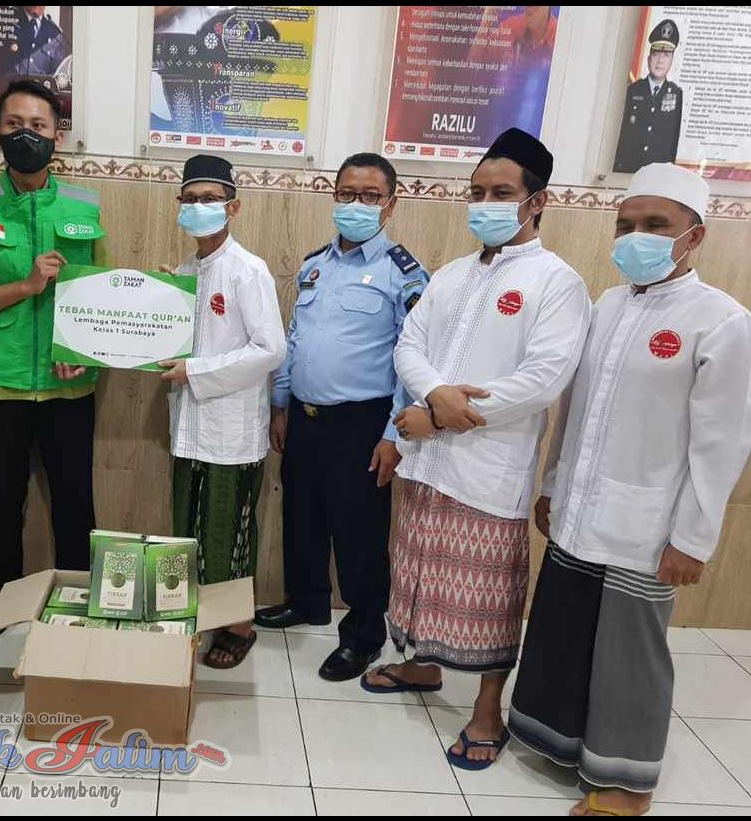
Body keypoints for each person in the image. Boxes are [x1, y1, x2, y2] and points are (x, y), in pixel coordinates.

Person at [509, 163, 751, 817]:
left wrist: (693, 537)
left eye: (655, 225)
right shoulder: (607, 305)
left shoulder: (722, 322)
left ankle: (626, 783)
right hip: (579, 507)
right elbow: (574, 408)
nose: (636, 236)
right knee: (564, 631)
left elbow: (721, 445)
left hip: (648, 524)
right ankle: (560, 741)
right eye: (626, 225)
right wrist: (552, 483)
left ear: (695, 236)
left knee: (629, 654)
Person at [364, 128, 591, 771]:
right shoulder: (452, 274)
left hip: (489, 470)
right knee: (417, 573)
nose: (485, 203)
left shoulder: (558, 282)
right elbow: (409, 346)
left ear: (536, 201)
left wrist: (442, 418)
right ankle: (422, 665)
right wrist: (438, 394)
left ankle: (488, 710)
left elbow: (543, 379)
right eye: (478, 192)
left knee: (489, 595)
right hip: (428, 464)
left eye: (501, 192)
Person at [0, 79, 107, 640]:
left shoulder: (85, 205)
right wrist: (27, 285)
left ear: (58, 136)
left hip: (69, 386)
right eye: (14, 124)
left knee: (75, 504)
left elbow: (101, 296)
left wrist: (84, 357)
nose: (26, 135)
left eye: (38, 126)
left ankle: (81, 604)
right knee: (1, 502)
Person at [254, 153, 428, 682]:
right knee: (302, 516)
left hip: (362, 423)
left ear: (390, 204)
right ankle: (305, 601)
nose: (357, 204)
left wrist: (393, 434)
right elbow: (294, 340)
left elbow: (413, 361)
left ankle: (362, 636)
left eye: (370, 196)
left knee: (359, 533)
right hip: (304, 418)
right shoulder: (315, 266)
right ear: (334, 197)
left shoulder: (404, 274)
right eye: (347, 193)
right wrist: (281, 405)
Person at [159, 154, 286, 668]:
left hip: (231, 431)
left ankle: (238, 626)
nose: (199, 207)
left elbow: (270, 349)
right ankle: (198, 615)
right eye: (190, 199)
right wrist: (160, 303)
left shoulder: (247, 270)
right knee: (189, 526)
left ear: (233, 207)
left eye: (210, 199)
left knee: (227, 530)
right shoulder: (187, 271)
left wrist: (196, 371)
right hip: (189, 426)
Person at [613, 19, 683, 172]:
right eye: (656, 54)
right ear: (649, 58)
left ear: (672, 61)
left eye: (666, 55)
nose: (660, 61)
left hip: (659, 174)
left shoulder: (677, 95)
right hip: (628, 170)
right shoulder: (633, 91)